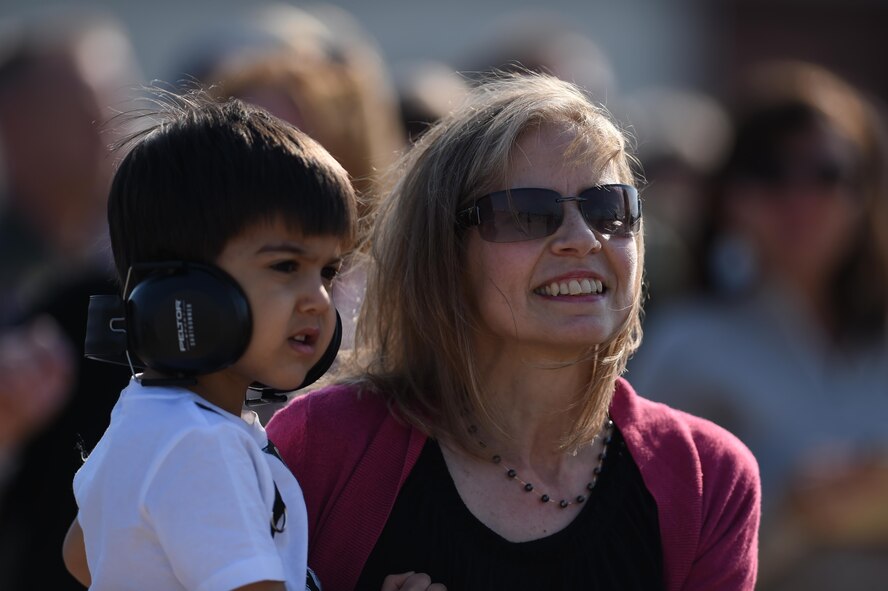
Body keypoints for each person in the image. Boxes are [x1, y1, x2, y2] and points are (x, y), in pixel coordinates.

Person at [266, 73, 761, 591]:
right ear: (444, 254)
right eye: (527, 214)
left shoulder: (708, 476)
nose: (582, 239)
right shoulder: (324, 444)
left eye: (609, 208)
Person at [61, 92, 358, 591]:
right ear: (186, 291)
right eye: (286, 267)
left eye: (327, 271)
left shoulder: (143, 416)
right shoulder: (203, 446)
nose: (320, 300)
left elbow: (82, 554)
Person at [628, 61, 888, 589]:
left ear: (864, 194)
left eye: (827, 172)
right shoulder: (688, 345)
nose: (799, 199)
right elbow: (642, 553)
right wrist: (798, 517)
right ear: (729, 197)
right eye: (769, 172)